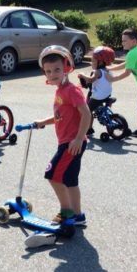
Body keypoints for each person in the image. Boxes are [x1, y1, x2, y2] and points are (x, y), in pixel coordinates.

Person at [24, 45, 91, 249]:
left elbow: (87, 114)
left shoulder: (72, 90)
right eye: (48, 71)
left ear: (67, 68)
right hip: (70, 141)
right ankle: (78, 215)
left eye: (56, 70)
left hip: (71, 143)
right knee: (70, 181)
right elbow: (60, 116)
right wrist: (43, 122)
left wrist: (79, 138)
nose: (52, 74)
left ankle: (66, 214)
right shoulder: (61, 90)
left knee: (52, 175)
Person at [77, 45, 115, 135]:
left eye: (93, 61)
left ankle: (88, 129)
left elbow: (90, 80)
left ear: (100, 62)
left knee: (87, 111)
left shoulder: (97, 72)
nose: (91, 63)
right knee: (96, 108)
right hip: (106, 95)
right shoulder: (108, 70)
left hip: (97, 97)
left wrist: (82, 75)